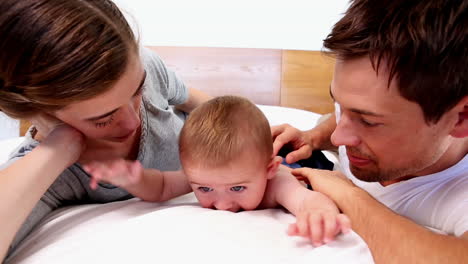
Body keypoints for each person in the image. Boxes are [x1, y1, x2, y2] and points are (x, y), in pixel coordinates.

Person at [0, 0, 211, 261]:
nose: (133, 122)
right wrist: (60, 148)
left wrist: (254, 128)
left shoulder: (145, 64)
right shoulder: (57, 176)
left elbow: (198, 103)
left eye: (137, 91)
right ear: (40, 112)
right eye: (102, 119)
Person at [272, 0, 468, 263]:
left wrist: (349, 196)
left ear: (460, 118)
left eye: (368, 122)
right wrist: (313, 137)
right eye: (341, 105)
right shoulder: (364, 106)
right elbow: (338, 119)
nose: (338, 138)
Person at [84, 95, 351, 246]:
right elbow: (162, 186)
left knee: (315, 165)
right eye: (204, 189)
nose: (221, 204)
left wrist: (318, 214)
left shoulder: (277, 180)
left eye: (237, 188)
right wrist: (135, 179)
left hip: (299, 164)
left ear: (268, 169)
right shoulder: (209, 173)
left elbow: (307, 200)